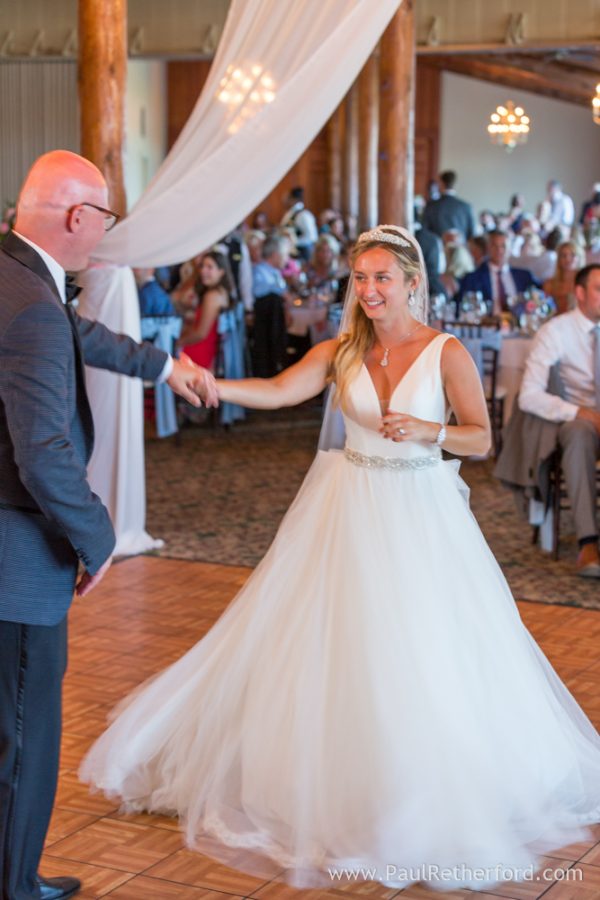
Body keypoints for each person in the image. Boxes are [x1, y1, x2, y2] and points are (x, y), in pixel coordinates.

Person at [82, 225, 600, 894]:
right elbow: (277, 389)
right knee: (334, 645)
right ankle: (328, 782)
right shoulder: (341, 350)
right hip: (346, 502)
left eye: (383, 277)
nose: (370, 290)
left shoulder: (445, 354)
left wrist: (429, 430)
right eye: (360, 278)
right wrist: (214, 386)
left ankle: (418, 790)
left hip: (420, 513)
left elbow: (480, 439)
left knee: (422, 650)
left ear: (413, 282)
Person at [0, 150, 218, 900]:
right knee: (24, 733)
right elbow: (44, 455)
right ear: (75, 218)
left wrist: (166, 368)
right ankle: (15, 886)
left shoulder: (16, 278)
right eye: (103, 216)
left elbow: (77, 337)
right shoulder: (30, 303)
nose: (104, 231)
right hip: (17, 558)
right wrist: (98, 540)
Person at [519, 264, 600, 576]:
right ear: (580, 293)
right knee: (578, 434)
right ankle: (588, 542)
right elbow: (528, 394)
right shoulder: (556, 332)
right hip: (575, 418)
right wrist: (581, 413)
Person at [458, 229, 537, 313]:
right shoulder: (472, 278)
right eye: (494, 246)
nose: (499, 250)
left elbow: (540, 296)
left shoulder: (525, 276)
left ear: (510, 249)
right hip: (487, 323)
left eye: (503, 246)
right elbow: (464, 307)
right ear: (487, 248)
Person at [179, 251, 233, 370]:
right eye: (202, 266)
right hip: (209, 350)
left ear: (221, 271)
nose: (203, 271)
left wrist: (178, 343)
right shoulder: (222, 292)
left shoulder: (212, 296)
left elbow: (201, 334)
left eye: (210, 267)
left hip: (200, 353)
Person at [423, 170, 475, 241]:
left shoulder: (431, 206)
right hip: (461, 249)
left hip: (437, 249)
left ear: (441, 183)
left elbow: (425, 232)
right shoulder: (466, 206)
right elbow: (471, 234)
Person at [543, 240, 584, 314]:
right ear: (559, 259)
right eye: (563, 255)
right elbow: (546, 310)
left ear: (579, 258)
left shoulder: (586, 282)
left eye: (572, 255)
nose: (568, 259)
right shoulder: (550, 284)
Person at [280, 186, 318, 261]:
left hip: (301, 256)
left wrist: (293, 242)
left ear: (294, 199)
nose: (283, 200)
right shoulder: (290, 213)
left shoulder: (303, 215)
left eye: (287, 197)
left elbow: (311, 237)